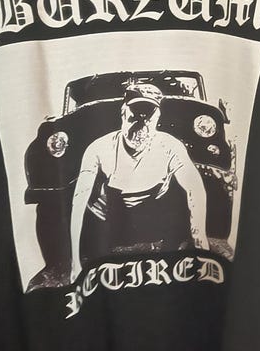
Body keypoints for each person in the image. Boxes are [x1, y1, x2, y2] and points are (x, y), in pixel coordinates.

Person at [70, 83, 209, 282]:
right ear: (122, 114)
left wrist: (201, 245)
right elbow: (79, 201)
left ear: (157, 119)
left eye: (148, 118)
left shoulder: (170, 147)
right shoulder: (99, 149)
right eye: (134, 116)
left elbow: (195, 188)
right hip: (107, 219)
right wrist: (75, 264)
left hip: (151, 216)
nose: (141, 126)